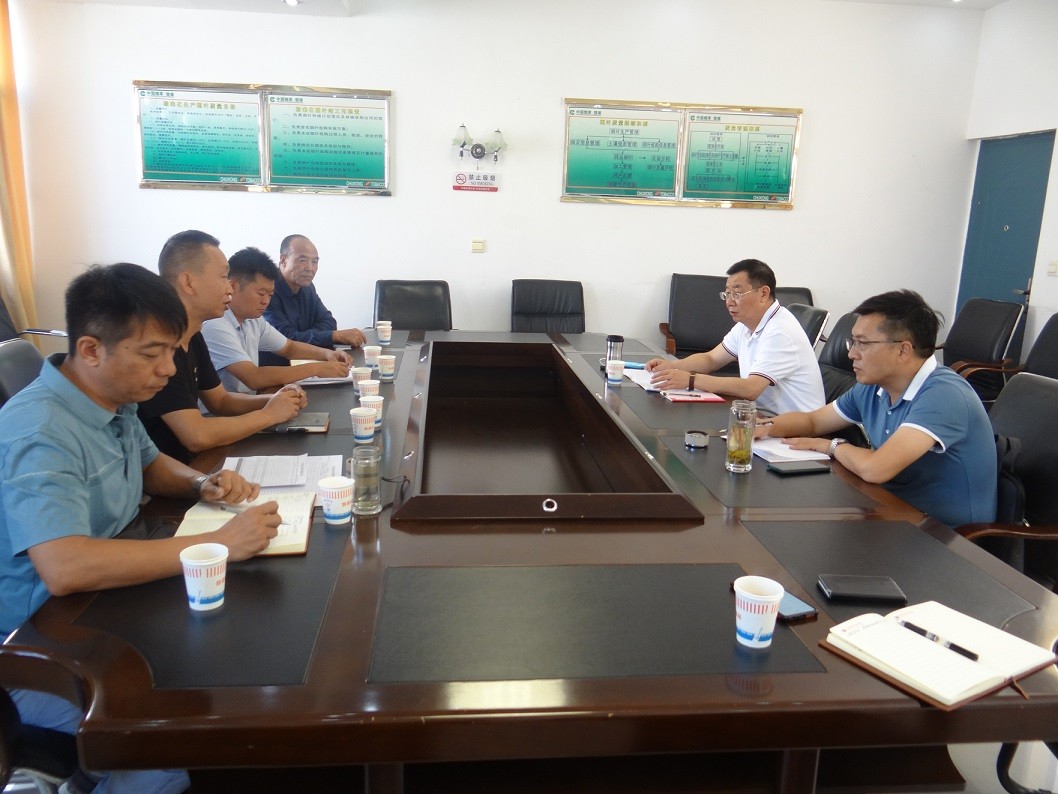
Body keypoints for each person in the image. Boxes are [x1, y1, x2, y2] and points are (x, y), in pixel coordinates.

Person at [0, 263, 283, 794]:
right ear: (90, 349)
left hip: (102, 609)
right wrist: (218, 544)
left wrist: (201, 484)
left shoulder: (112, 397)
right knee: (169, 749)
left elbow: (150, 464)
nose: (168, 370)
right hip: (35, 651)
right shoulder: (39, 431)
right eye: (152, 354)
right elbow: (65, 566)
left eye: (172, 352)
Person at [759, 289, 996, 528]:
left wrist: (830, 446)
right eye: (852, 341)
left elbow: (875, 469)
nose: (851, 353)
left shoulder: (944, 395)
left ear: (903, 350)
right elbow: (813, 422)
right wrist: (760, 427)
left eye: (862, 343)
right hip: (888, 508)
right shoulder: (874, 386)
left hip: (943, 534)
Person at [138, 230, 308, 464]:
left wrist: (277, 400)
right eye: (223, 277)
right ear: (188, 282)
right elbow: (196, 436)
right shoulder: (160, 345)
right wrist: (268, 415)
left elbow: (221, 401)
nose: (229, 288)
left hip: (192, 465)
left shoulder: (193, 336)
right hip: (178, 468)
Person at [646, 259, 824, 416]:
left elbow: (751, 388)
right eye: (727, 294)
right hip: (761, 417)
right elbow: (711, 359)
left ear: (763, 293)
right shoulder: (746, 325)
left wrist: (691, 379)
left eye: (737, 294)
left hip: (796, 429)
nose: (729, 302)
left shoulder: (780, 331)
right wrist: (671, 366)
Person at [202, 247, 353, 394]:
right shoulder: (215, 324)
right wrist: (316, 368)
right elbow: (253, 377)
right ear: (232, 286)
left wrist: (327, 354)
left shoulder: (254, 320)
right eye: (261, 293)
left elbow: (289, 347)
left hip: (248, 401)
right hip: (227, 409)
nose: (266, 301)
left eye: (270, 294)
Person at [260, 234, 366, 366]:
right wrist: (333, 336)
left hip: (309, 362)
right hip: (277, 369)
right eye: (302, 260)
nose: (310, 268)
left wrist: (305, 336)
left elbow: (329, 322)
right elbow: (285, 341)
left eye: (315, 262)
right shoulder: (267, 291)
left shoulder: (307, 287)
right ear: (283, 260)